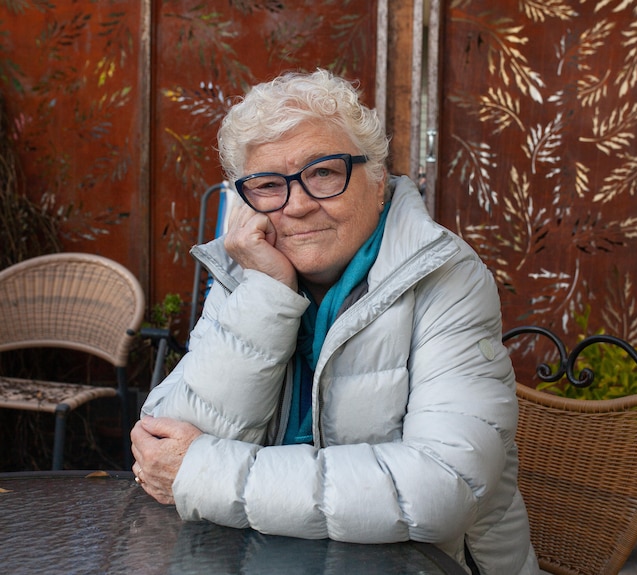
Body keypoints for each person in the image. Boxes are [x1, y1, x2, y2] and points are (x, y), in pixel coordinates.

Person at [131, 69, 538, 575]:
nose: (297, 205)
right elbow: (166, 446)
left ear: (377, 178)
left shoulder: (446, 274)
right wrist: (267, 295)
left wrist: (206, 473)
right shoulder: (253, 269)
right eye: (268, 184)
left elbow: (439, 490)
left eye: (324, 172)